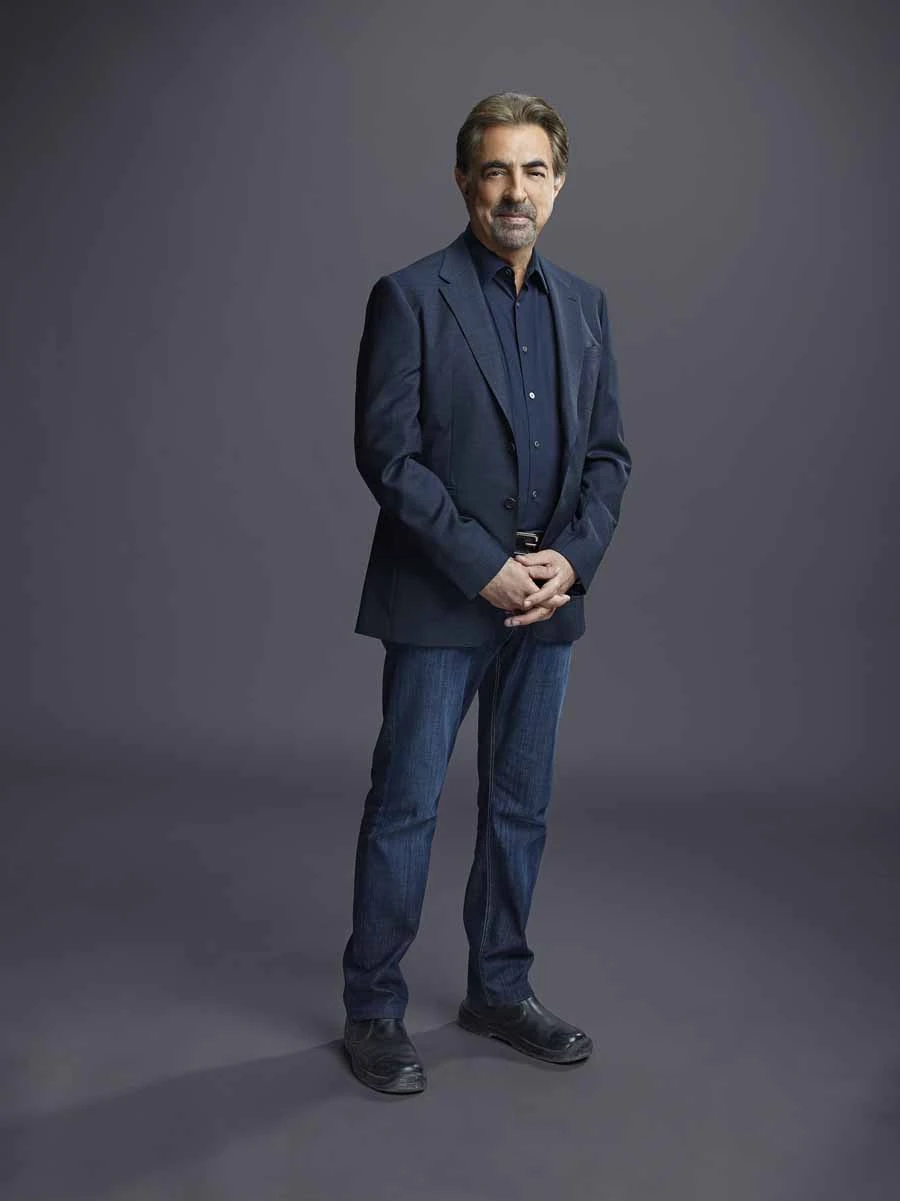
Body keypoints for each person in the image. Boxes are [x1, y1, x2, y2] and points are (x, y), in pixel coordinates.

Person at [341, 91, 632, 1093]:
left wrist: (571, 561)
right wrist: (483, 566)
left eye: (534, 170)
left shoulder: (585, 306)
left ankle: (499, 990)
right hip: (441, 598)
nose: (516, 190)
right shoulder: (409, 296)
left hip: (546, 605)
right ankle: (374, 1006)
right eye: (496, 169)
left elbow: (608, 457)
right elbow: (388, 456)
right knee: (406, 806)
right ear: (465, 180)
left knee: (520, 808)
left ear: (559, 184)